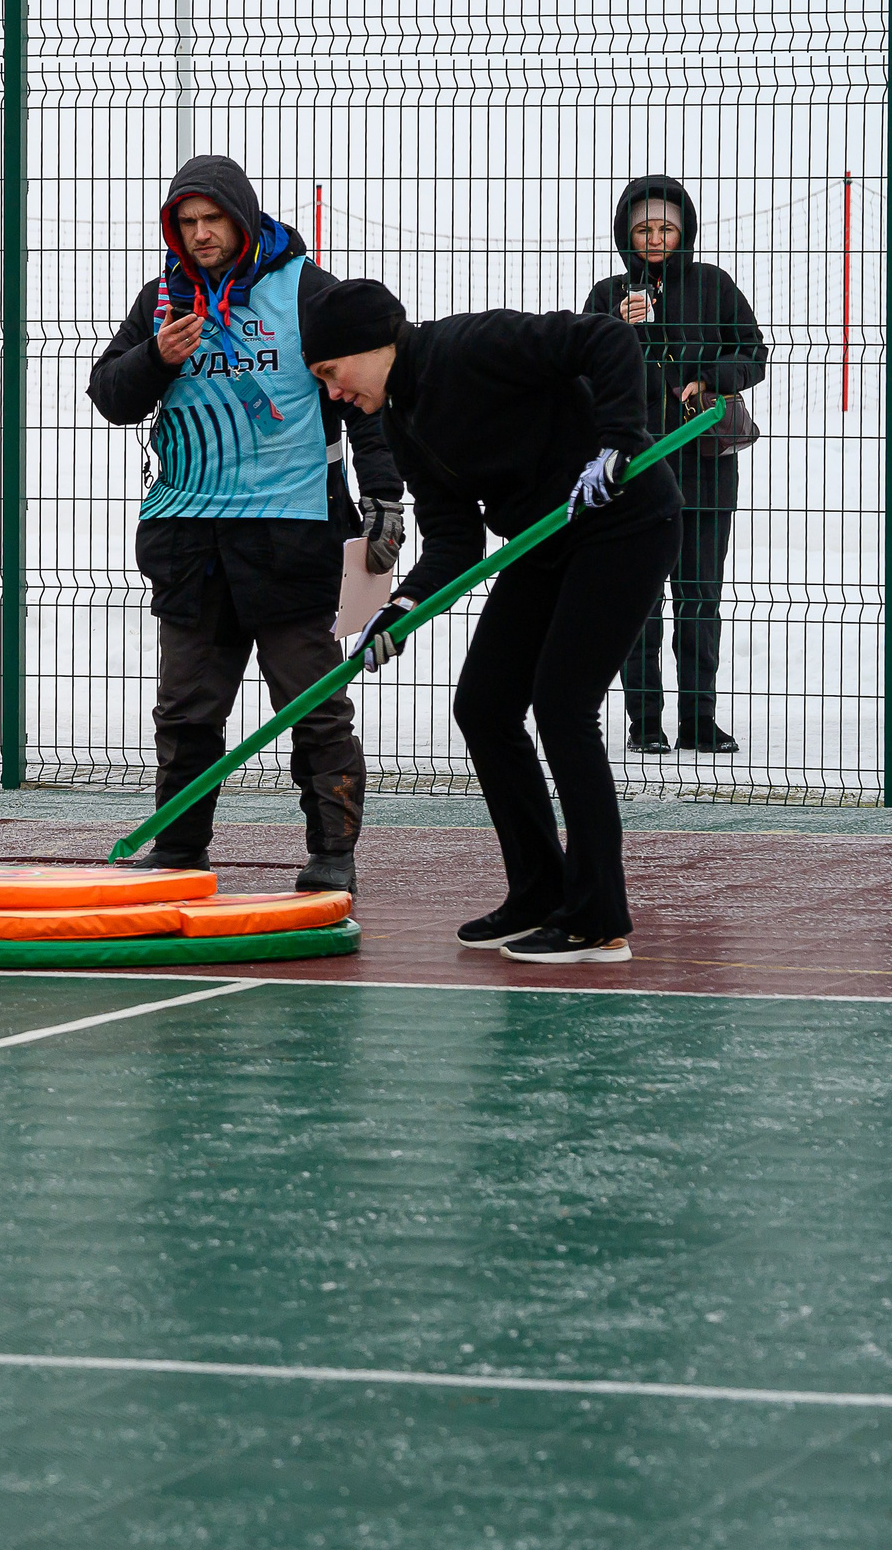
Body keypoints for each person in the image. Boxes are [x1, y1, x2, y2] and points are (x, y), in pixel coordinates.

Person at [306, 279, 680, 965]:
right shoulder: (402, 420)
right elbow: (453, 540)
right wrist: (403, 607)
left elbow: (605, 338)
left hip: (622, 518)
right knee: (484, 704)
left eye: (332, 372)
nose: (332, 392)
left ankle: (597, 919)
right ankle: (540, 891)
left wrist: (618, 440)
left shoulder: (469, 346)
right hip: (546, 538)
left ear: (373, 344)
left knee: (563, 707)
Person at [86, 155, 406, 895]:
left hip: (293, 534)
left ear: (243, 216)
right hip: (190, 539)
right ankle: (179, 851)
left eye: (212, 220)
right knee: (187, 711)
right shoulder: (162, 299)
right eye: (186, 223)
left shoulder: (305, 289)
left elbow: (367, 396)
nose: (199, 235)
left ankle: (332, 853)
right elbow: (110, 394)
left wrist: (385, 495)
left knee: (313, 705)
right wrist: (155, 359)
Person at [581, 176, 767, 754]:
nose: (655, 238)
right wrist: (622, 327)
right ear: (625, 235)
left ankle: (698, 722)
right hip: (634, 467)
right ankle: (645, 723)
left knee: (700, 594)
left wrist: (710, 377)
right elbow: (583, 373)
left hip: (705, 467)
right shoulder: (607, 294)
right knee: (640, 598)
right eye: (643, 229)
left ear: (683, 230)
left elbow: (753, 354)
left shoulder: (713, 286)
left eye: (665, 228)